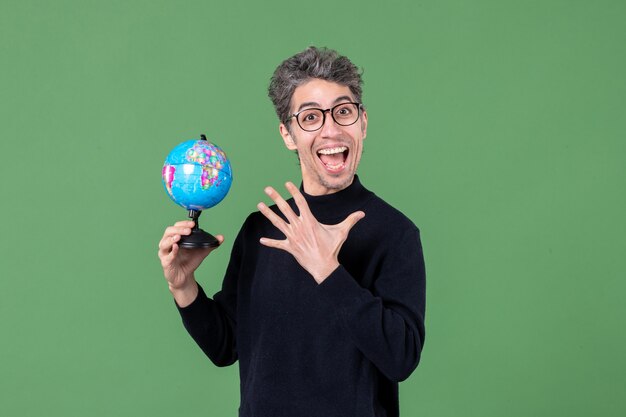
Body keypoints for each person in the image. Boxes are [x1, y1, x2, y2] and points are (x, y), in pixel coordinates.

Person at [158, 46, 426, 417]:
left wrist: (329, 272)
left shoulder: (394, 233)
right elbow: (225, 347)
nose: (331, 129)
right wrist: (184, 286)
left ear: (362, 122)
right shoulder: (261, 229)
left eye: (343, 112)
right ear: (288, 134)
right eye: (311, 117)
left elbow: (401, 358)